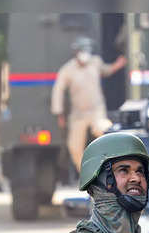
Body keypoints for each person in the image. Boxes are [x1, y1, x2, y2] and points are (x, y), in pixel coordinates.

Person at [51, 36, 127, 172]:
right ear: (76, 52)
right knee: (74, 146)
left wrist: (119, 64)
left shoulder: (95, 62)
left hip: (96, 111)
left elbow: (107, 70)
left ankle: (111, 169)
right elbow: (58, 90)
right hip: (78, 114)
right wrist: (59, 113)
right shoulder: (68, 69)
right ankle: (88, 174)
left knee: (105, 131)